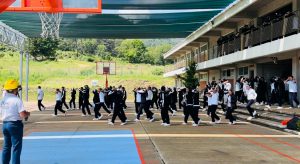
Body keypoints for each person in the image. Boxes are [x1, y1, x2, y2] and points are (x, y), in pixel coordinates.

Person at [0, 79, 30, 164]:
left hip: (5, 124)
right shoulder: (17, 100)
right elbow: (22, 115)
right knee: (16, 148)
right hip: (15, 125)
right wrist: (28, 113)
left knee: (6, 147)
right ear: (15, 89)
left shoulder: (2, 100)